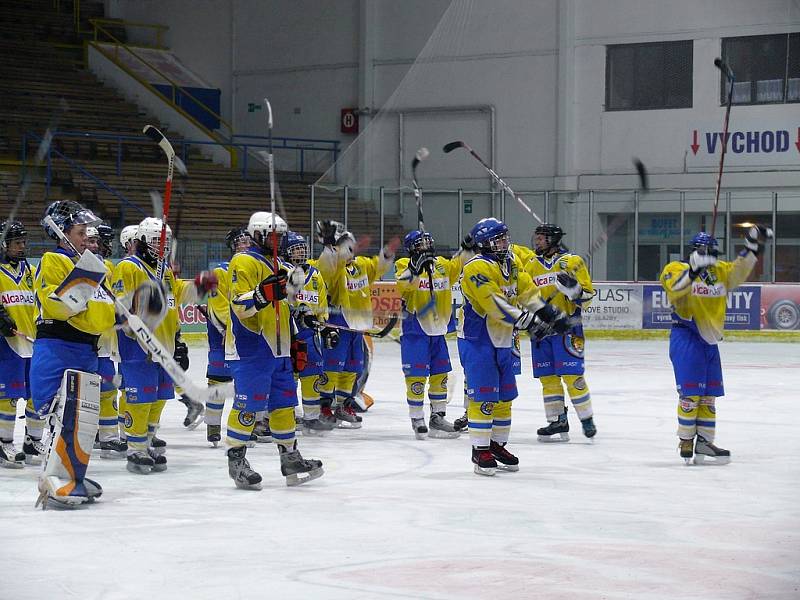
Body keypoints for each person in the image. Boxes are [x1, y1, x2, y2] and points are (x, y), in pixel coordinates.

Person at [459, 217, 569, 476]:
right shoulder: (476, 268)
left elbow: (527, 292)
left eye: (505, 237)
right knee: (484, 396)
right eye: (499, 239)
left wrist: (548, 312)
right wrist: (529, 322)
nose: (505, 243)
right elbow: (494, 304)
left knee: (505, 396)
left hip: (504, 338)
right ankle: (480, 449)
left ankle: (497, 445)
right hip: (478, 340)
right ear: (485, 243)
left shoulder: (511, 261)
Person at [111, 217, 216, 474]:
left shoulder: (164, 270)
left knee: (159, 397)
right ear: (143, 241)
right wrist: (145, 302)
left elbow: (177, 296)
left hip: (165, 346)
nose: (163, 247)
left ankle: (147, 439)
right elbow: (119, 305)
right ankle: (135, 446)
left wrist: (199, 287)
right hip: (138, 345)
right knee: (140, 397)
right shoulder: (128, 267)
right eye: (158, 241)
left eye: (166, 242)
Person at [225, 211, 323, 488]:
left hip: (279, 346)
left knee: (284, 405)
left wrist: (300, 319)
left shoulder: (281, 264)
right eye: (273, 235)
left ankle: (289, 456)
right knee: (248, 405)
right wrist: (262, 294)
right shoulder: (243, 261)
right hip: (251, 347)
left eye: (281, 235)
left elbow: (288, 302)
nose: (278, 240)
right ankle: (237, 461)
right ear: (257, 234)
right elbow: (239, 305)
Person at [660, 226, 772, 464]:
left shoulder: (719, 270)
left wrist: (752, 246)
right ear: (694, 251)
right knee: (691, 395)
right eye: (706, 251)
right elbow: (675, 289)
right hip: (687, 336)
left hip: (710, 340)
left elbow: (738, 271)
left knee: (709, 396)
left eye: (713, 252)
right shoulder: (675, 269)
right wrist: (693, 270)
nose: (711, 256)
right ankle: (686, 439)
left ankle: (705, 442)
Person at [31, 200, 115, 507]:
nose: (86, 238)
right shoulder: (54, 259)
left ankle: (71, 475)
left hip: (85, 349)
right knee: (62, 414)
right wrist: (88, 280)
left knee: (81, 418)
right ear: (61, 232)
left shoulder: (93, 264)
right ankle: (54, 479)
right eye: (80, 232)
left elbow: (101, 314)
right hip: (59, 348)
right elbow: (61, 306)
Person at [315, 220, 396, 428]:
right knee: (332, 367)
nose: (350, 250)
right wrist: (328, 246)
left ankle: (344, 405)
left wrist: (386, 255)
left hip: (358, 325)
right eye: (345, 247)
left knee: (353, 367)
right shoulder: (333, 266)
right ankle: (324, 407)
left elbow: (377, 267)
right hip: (338, 323)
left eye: (351, 246)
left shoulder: (361, 265)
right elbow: (325, 270)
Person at [522, 223, 596, 442]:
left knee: (573, 377)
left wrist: (574, 290)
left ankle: (586, 419)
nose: (537, 241)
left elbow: (588, 297)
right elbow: (525, 295)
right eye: (537, 237)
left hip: (568, 329)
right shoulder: (530, 265)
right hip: (542, 331)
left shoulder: (572, 262)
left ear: (553, 240)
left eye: (542, 238)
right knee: (548, 379)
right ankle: (557, 421)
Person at [395, 229, 463, 439]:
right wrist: (415, 268)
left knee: (440, 375)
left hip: (438, 330)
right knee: (416, 376)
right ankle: (417, 417)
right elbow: (402, 286)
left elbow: (460, 263)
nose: (426, 246)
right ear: (412, 248)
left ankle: (438, 417)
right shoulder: (403, 264)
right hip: (416, 328)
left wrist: (467, 244)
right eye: (421, 243)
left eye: (428, 241)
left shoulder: (442, 264)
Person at [282, 230, 337, 435]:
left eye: (302, 249)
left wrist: (324, 328)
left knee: (312, 374)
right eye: (295, 250)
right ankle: (287, 414)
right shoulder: (283, 272)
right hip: (289, 334)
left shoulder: (315, 275)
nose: (300, 253)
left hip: (310, 334)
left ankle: (312, 417)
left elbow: (321, 305)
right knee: (290, 376)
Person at [202, 226, 251, 446]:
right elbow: (217, 305)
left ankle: (249, 424)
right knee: (218, 382)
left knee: (246, 383)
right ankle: (213, 425)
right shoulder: (219, 271)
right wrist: (227, 329)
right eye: (240, 242)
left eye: (248, 241)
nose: (245, 245)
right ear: (232, 247)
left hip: (247, 337)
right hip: (222, 336)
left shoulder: (254, 268)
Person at [0, 220, 42, 468]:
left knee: (37, 394)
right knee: (9, 396)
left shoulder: (30, 270)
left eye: (24, 242)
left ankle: (32, 439)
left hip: (33, 342)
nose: (22, 247)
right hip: (8, 343)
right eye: (17, 242)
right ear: (5, 244)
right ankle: (4, 441)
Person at [86, 224, 127, 459]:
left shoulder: (107, 268)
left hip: (104, 345)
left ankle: (109, 438)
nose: (93, 245)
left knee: (109, 388)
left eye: (95, 242)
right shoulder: (72, 268)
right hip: (83, 344)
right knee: (82, 393)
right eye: (88, 241)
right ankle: (85, 436)